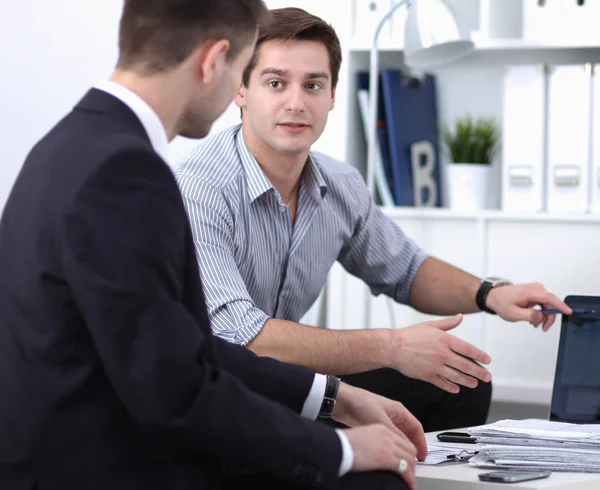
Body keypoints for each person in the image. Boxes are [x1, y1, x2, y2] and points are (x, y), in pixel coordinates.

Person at [0, 1, 429, 489]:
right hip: (102, 466)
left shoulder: (74, 142)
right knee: (375, 480)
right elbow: (173, 391)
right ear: (213, 61)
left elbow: (178, 346)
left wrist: (332, 397)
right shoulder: (125, 172)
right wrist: (336, 447)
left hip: (79, 449)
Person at [176, 6, 573, 433]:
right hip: (210, 391)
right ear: (241, 89)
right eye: (276, 83)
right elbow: (243, 337)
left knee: (460, 380)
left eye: (313, 84)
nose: (296, 103)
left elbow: (406, 270)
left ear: (331, 96)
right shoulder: (200, 188)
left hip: (288, 384)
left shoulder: (340, 185)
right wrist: (393, 346)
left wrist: (490, 294)